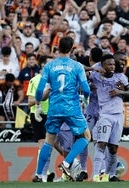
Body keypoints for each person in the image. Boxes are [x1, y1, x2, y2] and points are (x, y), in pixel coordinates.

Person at [32, 36, 91, 182]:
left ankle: (39, 175)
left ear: (58, 48)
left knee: (49, 141)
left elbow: (39, 90)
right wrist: (86, 98)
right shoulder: (77, 66)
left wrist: (38, 105)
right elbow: (86, 88)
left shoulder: (49, 66)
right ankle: (66, 163)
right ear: (72, 48)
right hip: (72, 108)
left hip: (54, 108)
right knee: (86, 137)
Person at [89, 54, 129, 182]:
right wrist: (94, 70)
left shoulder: (120, 77)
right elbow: (81, 70)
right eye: (109, 64)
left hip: (119, 115)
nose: (112, 66)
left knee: (113, 148)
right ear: (102, 65)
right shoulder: (96, 76)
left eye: (113, 64)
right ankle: (96, 175)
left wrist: (120, 92)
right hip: (105, 115)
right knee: (101, 143)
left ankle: (110, 175)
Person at [27, 55, 55, 182]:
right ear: (43, 66)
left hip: (53, 115)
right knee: (43, 144)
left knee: (54, 145)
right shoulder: (36, 79)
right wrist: (44, 94)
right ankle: (44, 173)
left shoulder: (55, 79)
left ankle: (46, 173)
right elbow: (30, 102)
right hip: (38, 115)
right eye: (49, 64)